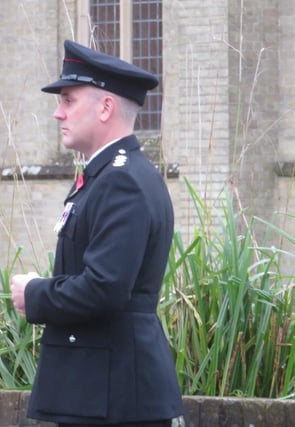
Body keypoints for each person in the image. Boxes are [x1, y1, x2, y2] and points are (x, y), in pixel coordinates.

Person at [10, 40, 185, 427]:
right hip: (100, 391)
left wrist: (35, 293)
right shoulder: (107, 176)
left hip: (112, 396)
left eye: (69, 100)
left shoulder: (121, 181)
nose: (58, 113)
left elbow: (105, 286)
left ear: (105, 107)